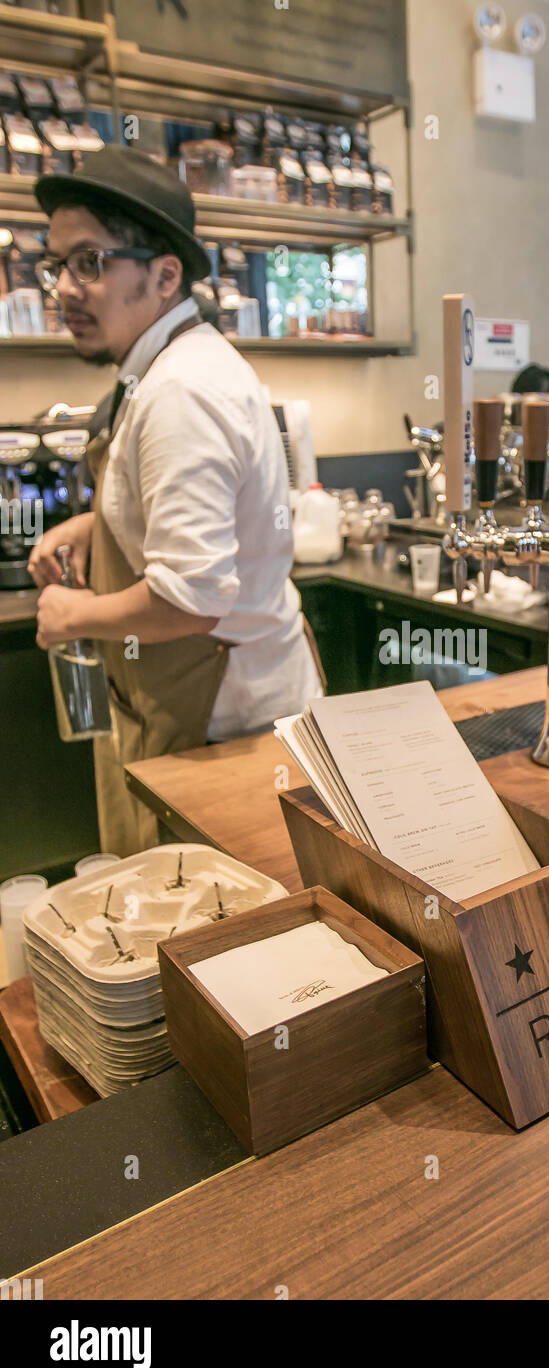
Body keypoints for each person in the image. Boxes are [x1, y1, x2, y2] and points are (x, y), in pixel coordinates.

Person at [27, 146, 321, 856]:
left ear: (164, 276)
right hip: (207, 716)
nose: (65, 287)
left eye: (90, 262)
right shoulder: (167, 369)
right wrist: (96, 524)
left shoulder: (180, 392)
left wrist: (76, 615)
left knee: (228, 939)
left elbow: (193, 597)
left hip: (229, 733)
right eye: (58, 264)